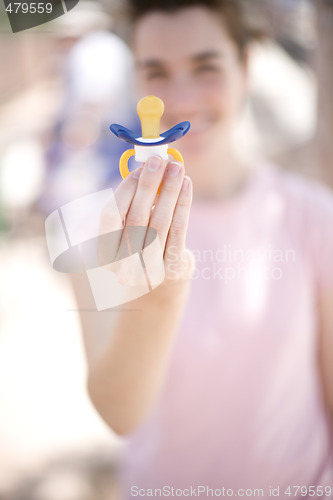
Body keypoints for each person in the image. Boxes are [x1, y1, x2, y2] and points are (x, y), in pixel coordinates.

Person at [71, 0, 333, 498]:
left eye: (205, 66)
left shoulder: (315, 218)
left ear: (246, 69)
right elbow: (118, 413)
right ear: (136, 82)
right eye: (157, 72)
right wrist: (156, 299)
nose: (182, 98)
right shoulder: (95, 228)